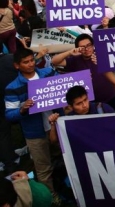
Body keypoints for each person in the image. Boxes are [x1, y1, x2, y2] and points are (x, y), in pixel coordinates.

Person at [4, 49, 58, 195]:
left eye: (32, 60)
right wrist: (22, 110)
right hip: (35, 133)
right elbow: (9, 115)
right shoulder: (12, 88)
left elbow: (66, 88)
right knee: (43, 168)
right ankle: (50, 196)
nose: (30, 64)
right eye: (25, 62)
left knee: (63, 158)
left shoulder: (48, 73)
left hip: (57, 126)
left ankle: (66, 187)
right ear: (17, 66)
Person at [51, 33, 115, 111]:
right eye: (82, 47)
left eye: (89, 45)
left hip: (110, 98)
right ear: (78, 48)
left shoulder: (102, 54)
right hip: (89, 103)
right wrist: (69, 52)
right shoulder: (74, 60)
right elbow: (54, 61)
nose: (86, 49)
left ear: (93, 45)